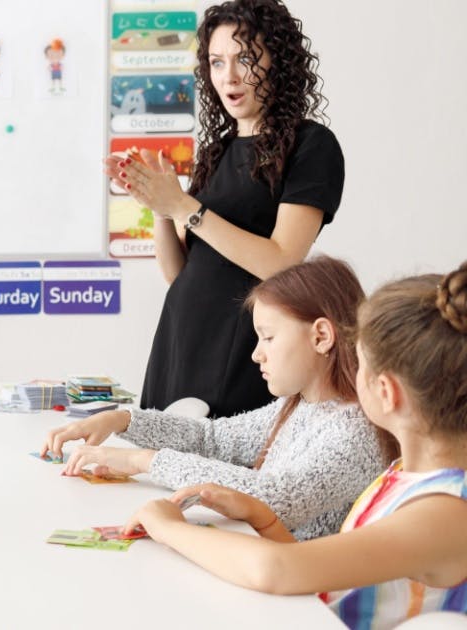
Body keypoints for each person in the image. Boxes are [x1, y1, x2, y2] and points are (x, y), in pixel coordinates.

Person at [125, 261, 467, 628]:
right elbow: (322, 580)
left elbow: (277, 570)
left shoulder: (445, 513)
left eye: (361, 365)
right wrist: (262, 516)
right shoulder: (404, 476)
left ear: (386, 392)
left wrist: (169, 528)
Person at [106, 0, 345, 417]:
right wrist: (160, 206)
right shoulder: (216, 152)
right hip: (180, 339)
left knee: (216, 470)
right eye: (217, 62)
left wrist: (184, 205)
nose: (229, 76)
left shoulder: (312, 145)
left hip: (243, 344)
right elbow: (177, 273)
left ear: (280, 62)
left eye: (246, 59)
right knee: (160, 464)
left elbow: (282, 260)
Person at [42, 257, 393, 540]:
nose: (256, 355)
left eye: (267, 338)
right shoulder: (302, 405)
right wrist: (122, 420)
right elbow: (212, 438)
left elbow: (276, 498)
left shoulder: (356, 430)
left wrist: (142, 461)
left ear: (321, 336)